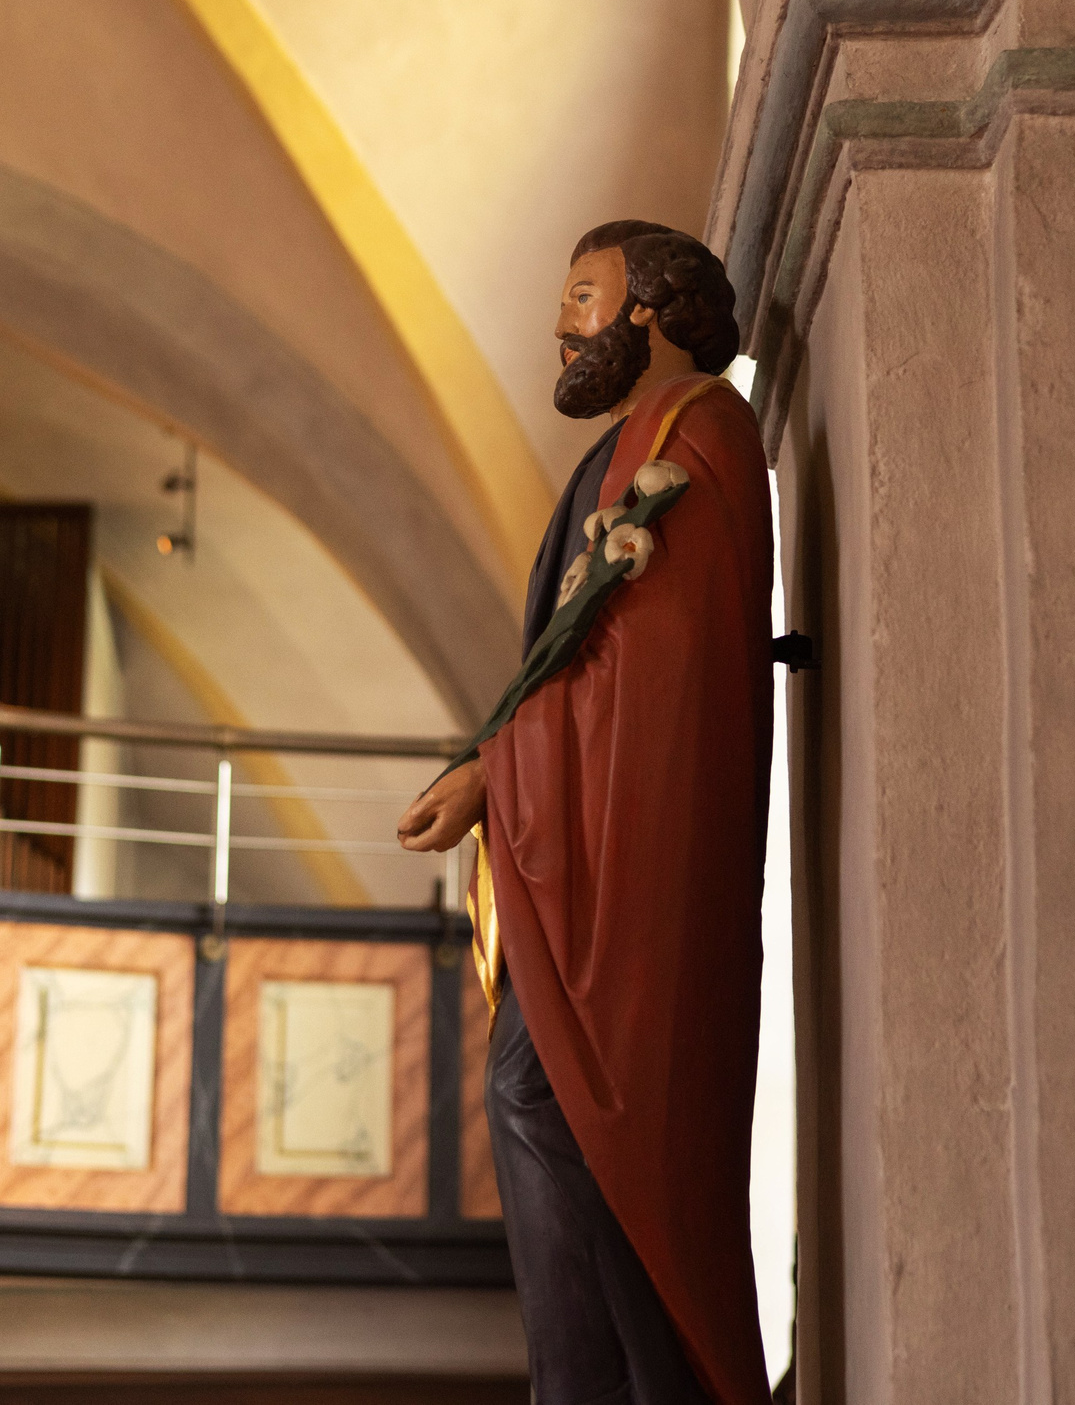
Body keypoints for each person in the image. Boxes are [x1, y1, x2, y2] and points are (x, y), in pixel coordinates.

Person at [399, 221, 772, 1404]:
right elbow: (575, 664)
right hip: (588, 833)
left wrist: (494, 777)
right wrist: (496, 763)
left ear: (648, 310)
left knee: (558, 1103)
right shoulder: (618, 455)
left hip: (640, 855)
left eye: (581, 295)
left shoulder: (698, 430)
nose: (561, 322)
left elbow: (654, 670)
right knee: (533, 1097)